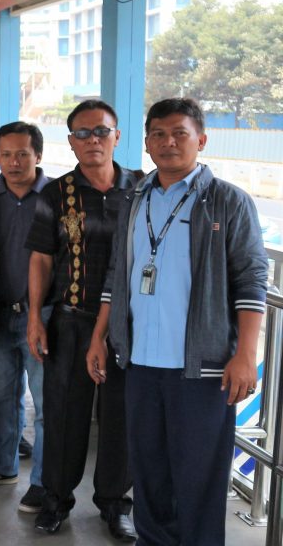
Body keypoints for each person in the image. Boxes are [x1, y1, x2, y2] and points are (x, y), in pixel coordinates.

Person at [90, 98, 268, 546]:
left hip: (201, 368)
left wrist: (245, 355)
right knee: (149, 471)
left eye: (179, 134)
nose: (168, 143)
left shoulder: (229, 201)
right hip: (140, 363)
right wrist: (100, 337)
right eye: (158, 134)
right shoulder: (135, 199)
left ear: (201, 140)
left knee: (199, 476)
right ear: (146, 143)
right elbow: (118, 273)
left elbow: (251, 281)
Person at [25, 99, 137, 540]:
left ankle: (115, 504)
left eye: (101, 132)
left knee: (119, 418)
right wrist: (36, 316)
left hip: (126, 327)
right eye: (83, 134)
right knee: (64, 416)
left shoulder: (142, 189)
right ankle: (56, 500)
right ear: (71, 142)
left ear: (117, 136)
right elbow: (40, 259)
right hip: (70, 322)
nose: (93, 140)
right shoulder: (57, 193)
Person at [0, 122, 50, 513]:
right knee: (2, 398)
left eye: (23, 154)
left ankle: (43, 482)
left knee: (46, 403)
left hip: (45, 319)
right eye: (6, 155)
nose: (14, 162)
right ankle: (4, 466)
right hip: (0, 316)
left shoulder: (55, 196)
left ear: (38, 155)